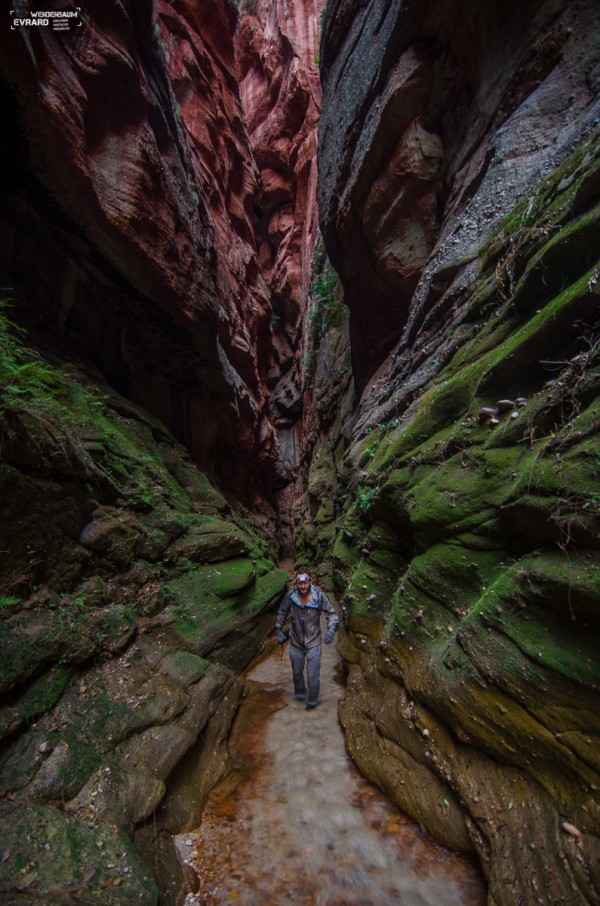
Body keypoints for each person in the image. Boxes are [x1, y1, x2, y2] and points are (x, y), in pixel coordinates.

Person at [274, 568, 339, 710]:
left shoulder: (319, 596)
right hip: (296, 641)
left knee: (312, 676)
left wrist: (331, 630)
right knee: (297, 673)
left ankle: (313, 699)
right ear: (296, 583)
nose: (303, 586)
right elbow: (282, 612)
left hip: (313, 642)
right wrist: (278, 630)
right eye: (299, 583)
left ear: (310, 581)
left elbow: (332, 614)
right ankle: (300, 693)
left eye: (305, 582)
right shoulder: (291, 596)